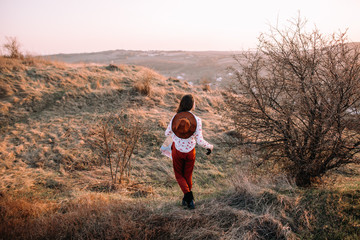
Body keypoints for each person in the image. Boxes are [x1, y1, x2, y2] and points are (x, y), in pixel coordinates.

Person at [165, 94, 213, 209]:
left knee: (179, 176)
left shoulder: (175, 118)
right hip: (191, 152)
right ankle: (187, 199)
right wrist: (209, 146)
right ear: (192, 105)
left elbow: (166, 134)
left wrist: (176, 133)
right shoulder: (197, 120)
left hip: (177, 151)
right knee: (188, 176)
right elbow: (200, 140)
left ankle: (189, 198)